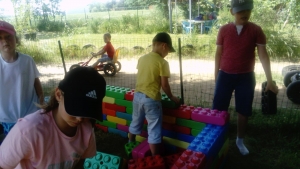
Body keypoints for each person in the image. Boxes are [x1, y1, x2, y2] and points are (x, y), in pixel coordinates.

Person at [0, 67, 106, 168]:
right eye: (75, 110)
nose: (80, 119)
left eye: (87, 112)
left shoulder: (86, 130)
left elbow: (79, 162)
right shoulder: (28, 131)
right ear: (58, 95)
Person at [213, 0, 278, 156]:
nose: (245, 13)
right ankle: (216, 139)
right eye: (241, 10)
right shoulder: (223, 30)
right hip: (225, 75)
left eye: (248, 9)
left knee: (244, 110)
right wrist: (217, 76)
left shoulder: (256, 30)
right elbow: (218, 53)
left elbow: (263, 55)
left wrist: (269, 80)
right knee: (218, 109)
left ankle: (239, 141)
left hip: (246, 77)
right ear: (232, 12)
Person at [128, 32, 181, 156]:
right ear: (164, 46)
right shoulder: (162, 63)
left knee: (135, 122)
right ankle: (154, 157)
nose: (167, 54)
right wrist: (172, 97)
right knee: (154, 129)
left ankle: (130, 143)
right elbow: (164, 85)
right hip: (151, 99)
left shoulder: (142, 59)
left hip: (137, 96)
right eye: (168, 50)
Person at [0, 20, 44, 135]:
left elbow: (36, 83)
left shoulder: (27, 60)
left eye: (8, 36)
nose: (4, 41)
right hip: (6, 119)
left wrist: (41, 101)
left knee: (32, 146)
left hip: (30, 115)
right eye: (0, 38)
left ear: (16, 39)